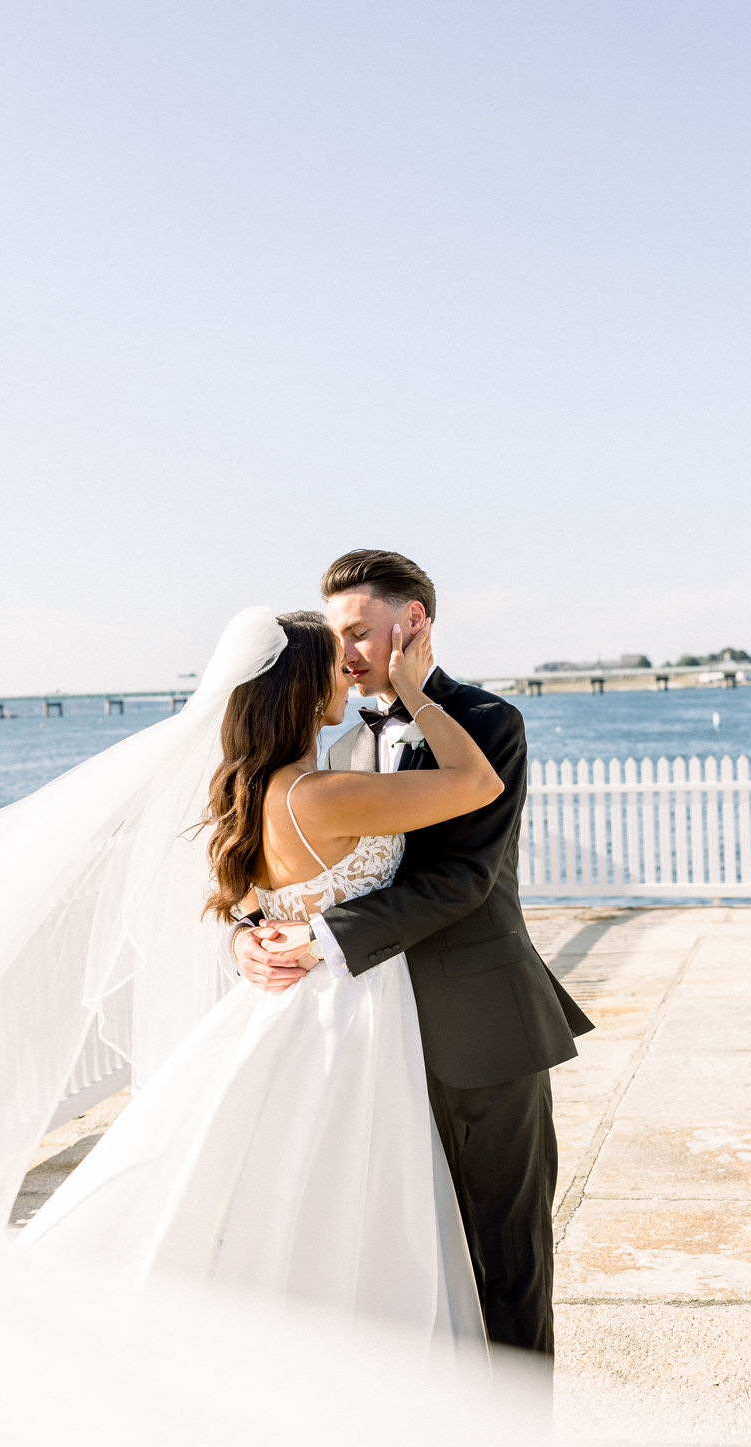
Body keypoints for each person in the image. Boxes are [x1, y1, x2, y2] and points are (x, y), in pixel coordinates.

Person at [14, 608, 502, 1347]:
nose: (349, 671)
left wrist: (247, 937)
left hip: (282, 1011)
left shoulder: (244, 794)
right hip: (350, 1015)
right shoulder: (322, 795)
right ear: (306, 689)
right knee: (351, 1201)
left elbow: (251, 910)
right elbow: (476, 783)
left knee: (274, 1199)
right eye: (335, 665)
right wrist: (416, 689)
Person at [234, 551, 594, 1360]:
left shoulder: (489, 723)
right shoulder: (332, 748)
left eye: (359, 632)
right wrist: (247, 933)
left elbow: (464, 880)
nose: (345, 654)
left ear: (414, 623)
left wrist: (321, 940)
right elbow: (291, 863)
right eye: (335, 639)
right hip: (365, 1044)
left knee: (506, 1261)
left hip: (477, 1033)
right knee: (395, 1263)